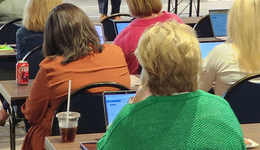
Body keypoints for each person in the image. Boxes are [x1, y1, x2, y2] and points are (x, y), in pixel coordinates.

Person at [98, 21, 246, 150]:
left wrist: (133, 104)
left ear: (148, 69)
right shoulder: (221, 108)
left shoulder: (130, 120)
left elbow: (103, 146)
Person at [21, 3, 130, 150]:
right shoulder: (116, 53)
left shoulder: (51, 67)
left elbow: (31, 114)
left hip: (62, 137)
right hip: (109, 133)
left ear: (52, 36)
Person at [0, 0, 64, 127]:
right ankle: (2, 111)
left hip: (34, 93)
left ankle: (2, 111)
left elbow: (23, 69)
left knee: (23, 79)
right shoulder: (66, 33)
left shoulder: (23, 34)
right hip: (64, 89)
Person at [114, 0, 183, 74]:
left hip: (143, 85)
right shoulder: (175, 20)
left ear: (133, 4)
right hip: (178, 84)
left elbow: (112, 64)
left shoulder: (128, 33)